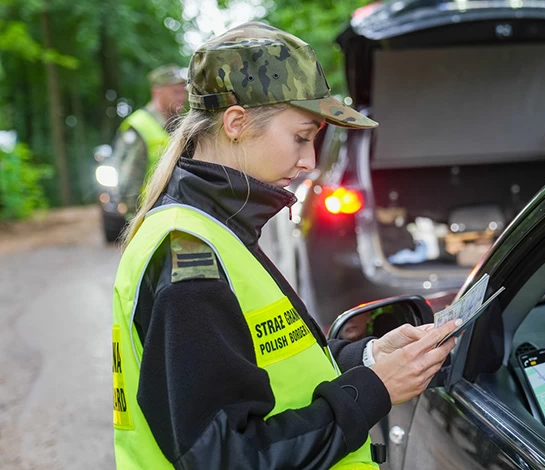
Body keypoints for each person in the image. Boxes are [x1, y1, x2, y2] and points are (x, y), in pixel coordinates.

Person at [111, 22, 460, 469]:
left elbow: (268, 367)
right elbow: (225, 457)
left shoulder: (217, 228)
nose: (309, 160)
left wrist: (368, 358)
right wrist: (374, 390)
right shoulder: (190, 258)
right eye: (301, 136)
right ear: (236, 122)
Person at [115, 64, 188, 218]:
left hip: (173, 213)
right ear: (157, 91)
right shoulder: (140, 125)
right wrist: (135, 220)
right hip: (148, 215)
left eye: (184, 91)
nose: (182, 97)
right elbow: (129, 182)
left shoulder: (180, 124)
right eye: (176, 92)